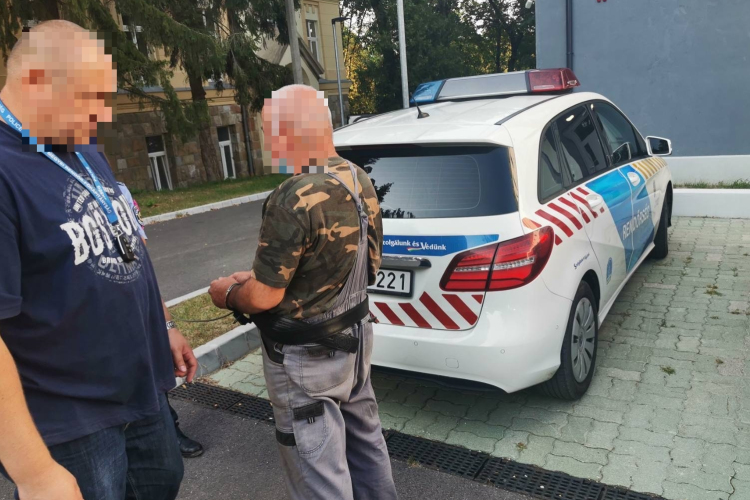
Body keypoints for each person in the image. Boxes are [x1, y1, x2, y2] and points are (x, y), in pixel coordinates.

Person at [0, 20, 196, 500]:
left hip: (138, 392)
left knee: (163, 481)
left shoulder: (80, 149)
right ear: (35, 80)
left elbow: (126, 242)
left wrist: (165, 324)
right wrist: (34, 473)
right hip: (68, 420)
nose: (103, 115)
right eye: (90, 98)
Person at [208, 85, 398, 500]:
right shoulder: (358, 178)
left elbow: (264, 298)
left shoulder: (295, 193)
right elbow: (363, 264)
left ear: (290, 132)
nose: (268, 143)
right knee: (367, 448)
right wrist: (259, 277)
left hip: (309, 357)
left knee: (319, 473)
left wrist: (229, 292)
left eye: (269, 132)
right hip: (355, 340)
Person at [118, 182, 205, 458]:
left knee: (163, 473)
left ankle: (169, 430)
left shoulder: (117, 190)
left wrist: (168, 325)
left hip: (134, 314)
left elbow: (140, 264)